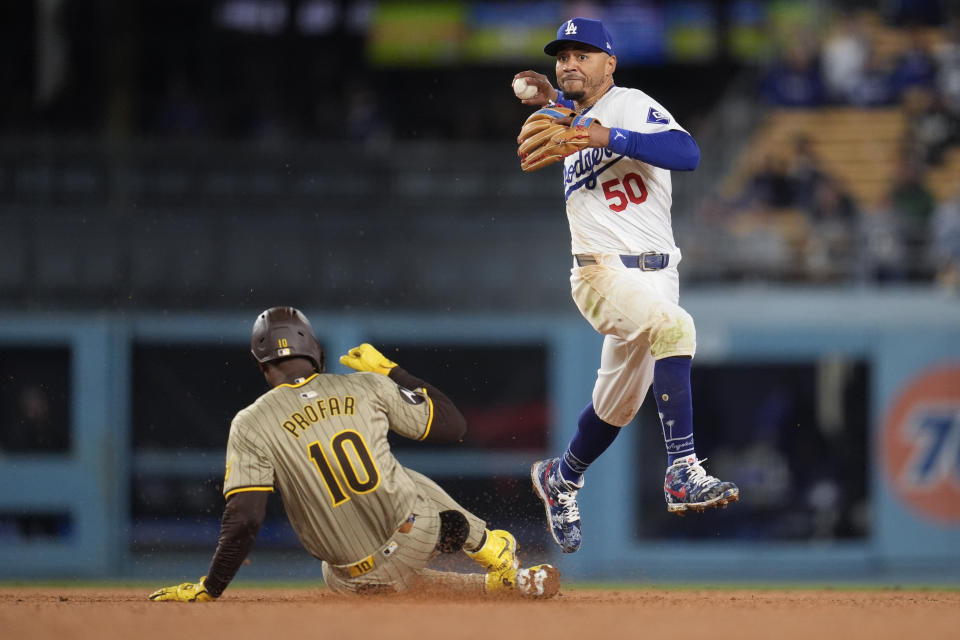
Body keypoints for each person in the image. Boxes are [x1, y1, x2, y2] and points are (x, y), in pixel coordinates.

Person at [512, 17, 740, 554]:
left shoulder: (630, 104)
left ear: (609, 62)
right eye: (562, 55)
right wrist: (545, 96)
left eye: (583, 53)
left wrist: (606, 134)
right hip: (600, 270)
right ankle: (682, 470)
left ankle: (560, 478)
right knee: (675, 328)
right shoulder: (564, 116)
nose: (569, 62)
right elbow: (538, 95)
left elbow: (688, 155)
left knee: (617, 404)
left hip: (659, 273)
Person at [149, 307, 559, 600]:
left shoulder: (250, 422)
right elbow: (455, 425)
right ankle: (490, 552)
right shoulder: (365, 386)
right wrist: (391, 371)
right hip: (414, 537)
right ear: (317, 352)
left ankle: (491, 576)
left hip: (349, 575)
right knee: (404, 479)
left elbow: (245, 519)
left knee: (341, 569)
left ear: (262, 366)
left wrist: (211, 586)